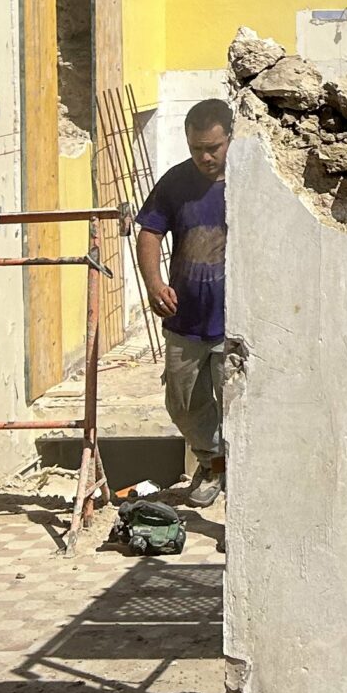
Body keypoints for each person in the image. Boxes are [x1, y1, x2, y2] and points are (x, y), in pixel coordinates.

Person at [137, 97, 234, 507]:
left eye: (213, 147)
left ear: (231, 138)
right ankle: (214, 460)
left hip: (235, 324)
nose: (205, 157)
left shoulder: (251, 181)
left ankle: (235, 479)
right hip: (185, 319)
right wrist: (155, 284)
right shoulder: (176, 182)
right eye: (197, 148)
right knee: (182, 404)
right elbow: (149, 232)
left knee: (238, 406)